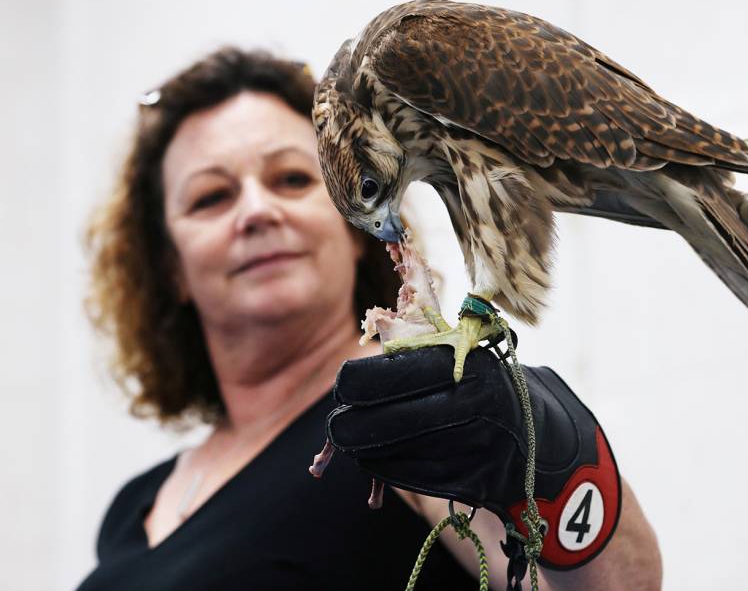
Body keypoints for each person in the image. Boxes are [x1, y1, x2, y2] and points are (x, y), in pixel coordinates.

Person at [76, 47, 662, 590]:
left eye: (293, 179)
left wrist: (555, 461)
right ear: (170, 267)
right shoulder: (134, 507)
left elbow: (621, 586)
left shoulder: (411, 410)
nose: (257, 211)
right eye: (211, 197)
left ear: (354, 221)